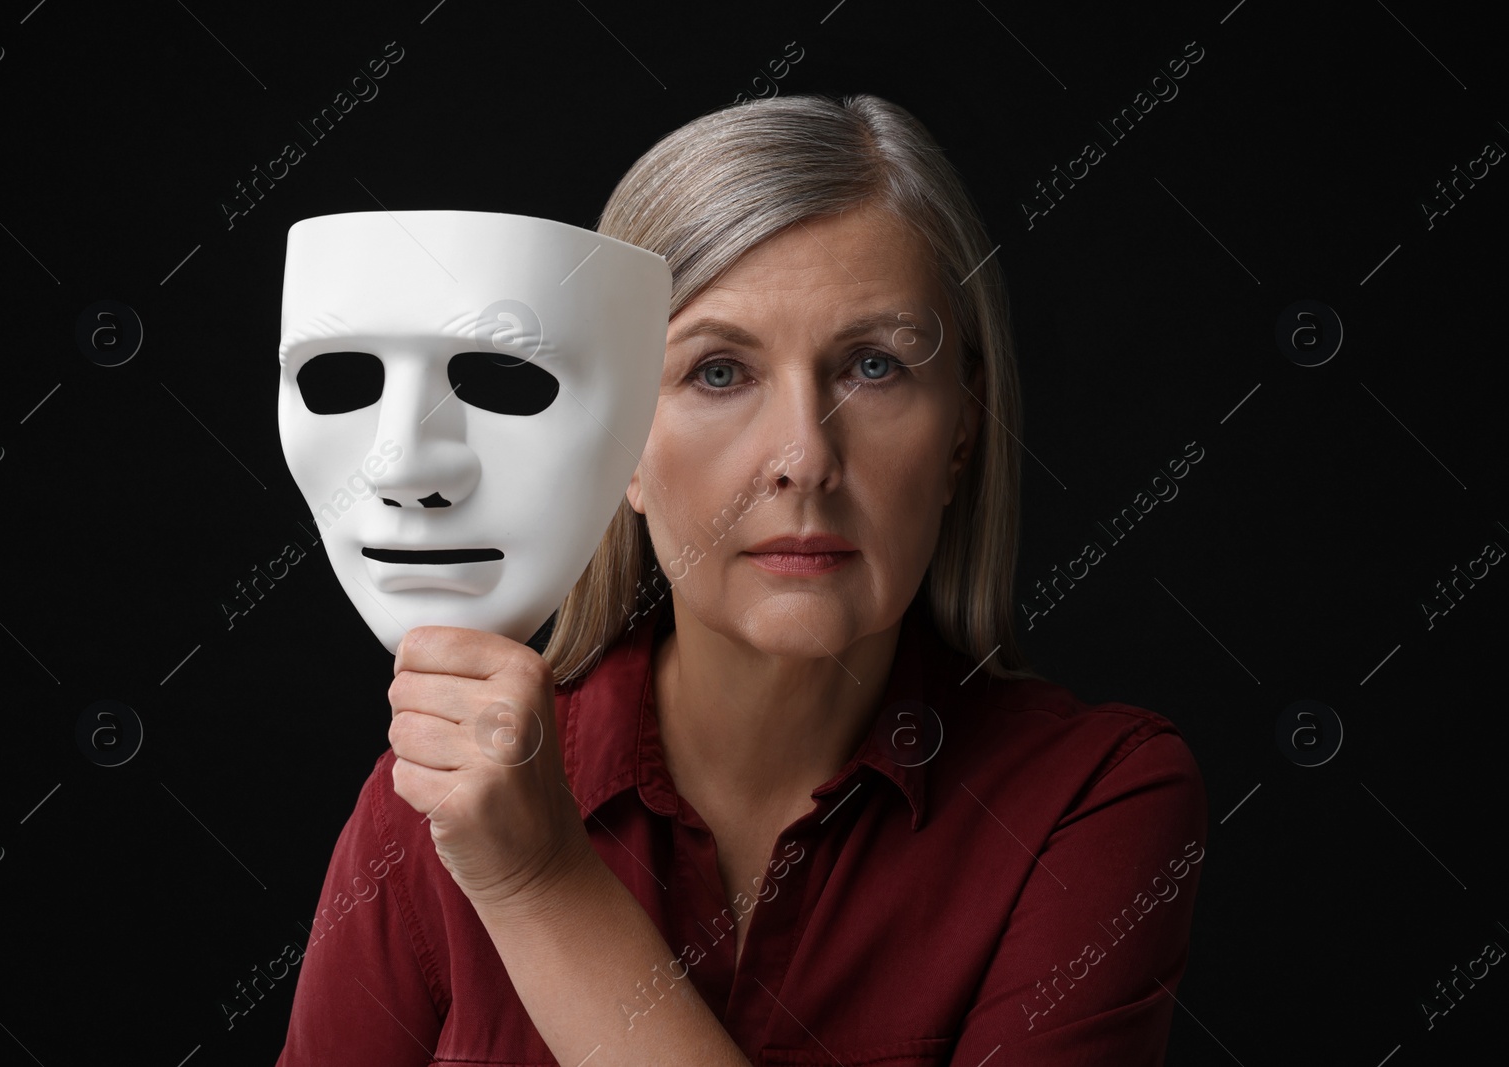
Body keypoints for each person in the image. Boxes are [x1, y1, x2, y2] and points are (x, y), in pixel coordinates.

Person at [275, 92, 1207, 1066]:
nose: (803, 457)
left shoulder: (1095, 799)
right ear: (614, 444)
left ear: (963, 433)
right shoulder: (431, 801)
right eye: (718, 372)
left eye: (876, 365)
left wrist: (541, 882)